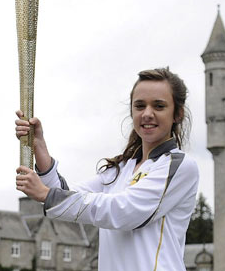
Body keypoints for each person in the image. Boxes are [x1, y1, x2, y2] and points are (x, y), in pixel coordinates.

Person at [15, 68, 199, 271]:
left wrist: (47, 194)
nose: (147, 113)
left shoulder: (180, 166)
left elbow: (125, 211)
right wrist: (39, 146)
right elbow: (66, 196)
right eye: (139, 106)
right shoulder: (119, 169)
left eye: (159, 106)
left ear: (177, 114)